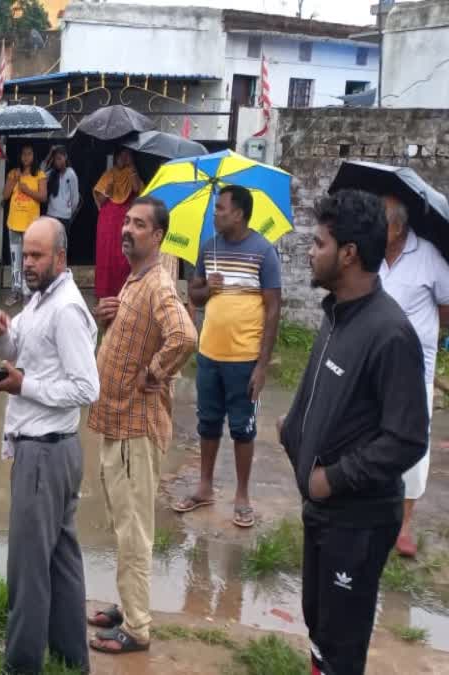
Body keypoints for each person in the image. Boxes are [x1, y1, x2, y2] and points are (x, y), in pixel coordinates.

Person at [279, 189, 428, 675]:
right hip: (323, 512)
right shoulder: (336, 315)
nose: (310, 250)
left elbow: (407, 438)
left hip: (358, 520)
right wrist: (293, 432)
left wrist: (333, 478)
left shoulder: (390, 333)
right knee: (320, 627)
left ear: (347, 253)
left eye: (319, 243)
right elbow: (323, 395)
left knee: (342, 647)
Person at [0, 216, 98, 674]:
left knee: (29, 568)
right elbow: (15, 356)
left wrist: (24, 387)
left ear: (60, 258)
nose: (27, 262)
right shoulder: (39, 302)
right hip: (53, 452)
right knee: (62, 562)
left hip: (45, 453)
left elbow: (85, 388)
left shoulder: (66, 309)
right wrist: (2, 335)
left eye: (37, 255)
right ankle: (73, 658)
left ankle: (21, 663)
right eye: (25, 254)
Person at [87, 197, 197, 655]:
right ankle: (128, 605)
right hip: (117, 423)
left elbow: (184, 336)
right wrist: (110, 318)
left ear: (158, 236)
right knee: (122, 524)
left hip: (136, 426)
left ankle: (136, 628)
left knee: (134, 531)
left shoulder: (158, 284)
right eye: (127, 222)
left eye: (139, 225)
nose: (128, 229)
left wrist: (155, 372)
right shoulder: (136, 280)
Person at [173, 185, 281, 529]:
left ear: (239, 213)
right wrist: (210, 287)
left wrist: (262, 366)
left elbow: (274, 308)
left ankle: (242, 496)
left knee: (242, 428)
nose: (215, 213)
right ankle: (204, 487)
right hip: (209, 354)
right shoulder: (210, 247)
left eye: (220, 208)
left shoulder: (264, 252)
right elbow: (195, 293)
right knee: (207, 423)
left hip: (245, 358)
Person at [378, 195, 449, 558]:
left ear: (399, 227)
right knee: (370, 434)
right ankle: (375, 512)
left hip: (415, 366)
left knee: (413, 444)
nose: (375, 224)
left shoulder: (430, 259)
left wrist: (423, 336)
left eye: (381, 219)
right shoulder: (371, 252)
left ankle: (404, 526)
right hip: (374, 363)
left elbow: (446, 306)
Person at [93, 148, 143, 298]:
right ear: (115, 157)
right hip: (108, 219)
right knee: (106, 253)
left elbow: (136, 189)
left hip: (125, 217)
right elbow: (101, 201)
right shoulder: (109, 174)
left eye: (127, 155)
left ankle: (123, 290)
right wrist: (108, 188)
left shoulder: (131, 172)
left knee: (123, 253)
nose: (124, 158)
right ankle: (104, 291)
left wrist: (132, 167)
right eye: (121, 155)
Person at [3, 144, 47, 305]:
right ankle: (15, 292)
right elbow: (5, 195)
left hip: (31, 227)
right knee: (15, 260)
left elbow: (43, 197)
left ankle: (28, 292)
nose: (26, 157)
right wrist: (12, 181)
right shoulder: (14, 173)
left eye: (29, 154)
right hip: (14, 224)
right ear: (20, 156)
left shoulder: (40, 175)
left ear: (34, 156)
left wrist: (27, 190)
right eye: (23, 154)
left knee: (30, 261)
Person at [44, 146, 79, 238]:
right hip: (51, 215)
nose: (57, 162)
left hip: (64, 217)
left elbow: (75, 198)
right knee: (50, 244)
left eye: (60, 158)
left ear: (65, 157)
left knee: (61, 245)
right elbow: (39, 175)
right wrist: (48, 156)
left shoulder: (71, 174)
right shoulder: (51, 173)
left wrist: (69, 212)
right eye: (55, 159)